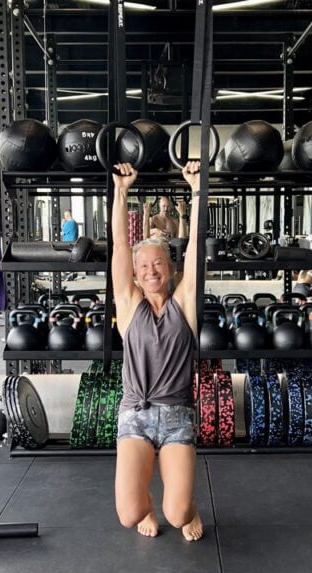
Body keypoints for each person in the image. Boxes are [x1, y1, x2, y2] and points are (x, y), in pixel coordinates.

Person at [111, 160, 204, 542]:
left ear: (171, 267)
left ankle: (189, 508)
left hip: (178, 414)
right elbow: (119, 245)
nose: (151, 271)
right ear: (135, 273)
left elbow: (196, 247)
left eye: (158, 264)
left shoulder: (185, 303)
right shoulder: (129, 304)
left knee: (179, 514)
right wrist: (121, 192)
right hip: (136, 414)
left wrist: (197, 191)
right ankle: (147, 505)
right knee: (129, 515)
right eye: (143, 266)